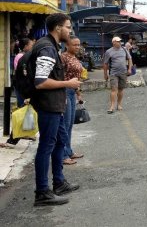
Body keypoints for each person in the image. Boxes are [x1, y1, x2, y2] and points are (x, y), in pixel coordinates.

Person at [32, 13, 81, 206]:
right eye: (68, 27)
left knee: (60, 141)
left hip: (56, 104)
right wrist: (68, 83)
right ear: (58, 28)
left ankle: (59, 182)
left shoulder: (52, 46)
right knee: (46, 146)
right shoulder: (46, 48)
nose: (70, 30)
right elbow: (40, 81)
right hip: (48, 105)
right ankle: (42, 192)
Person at [0, 38, 35, 149]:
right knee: (22, 114)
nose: (32, 46)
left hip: (24, 89)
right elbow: (23, 75)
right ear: (25, 46)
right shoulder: (22, 57)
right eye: (30, 45)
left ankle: (24, 134)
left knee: (26, 113)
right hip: (23, 89)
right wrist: (27, 94)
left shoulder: (26, 56)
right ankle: (13, 139)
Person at [61, 36, 84, 165]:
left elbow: (75, 77)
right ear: (67, 45)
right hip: (64, 91)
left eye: (78, 44)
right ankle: (63, 155)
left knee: (69, 125)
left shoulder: (74, 57)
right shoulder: (63, 57)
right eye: (74, 45)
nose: (77, 47)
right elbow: (61, 76)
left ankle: (69, 151)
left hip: (72, 92)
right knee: (64, 125)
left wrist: (78, 94)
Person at [103, 36, 132, 114]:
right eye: (118, 41)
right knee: (113, 89)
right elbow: (105, 64)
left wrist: (129, 69)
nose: (119, 42)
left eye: (120, 41)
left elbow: (129, 59)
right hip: (113, 73)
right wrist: (105, 74)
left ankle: (119, 104)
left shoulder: (124, 49)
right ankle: (112, 106)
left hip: (123, 72)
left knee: (121, 89)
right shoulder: (109, 52)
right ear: (113, 42)